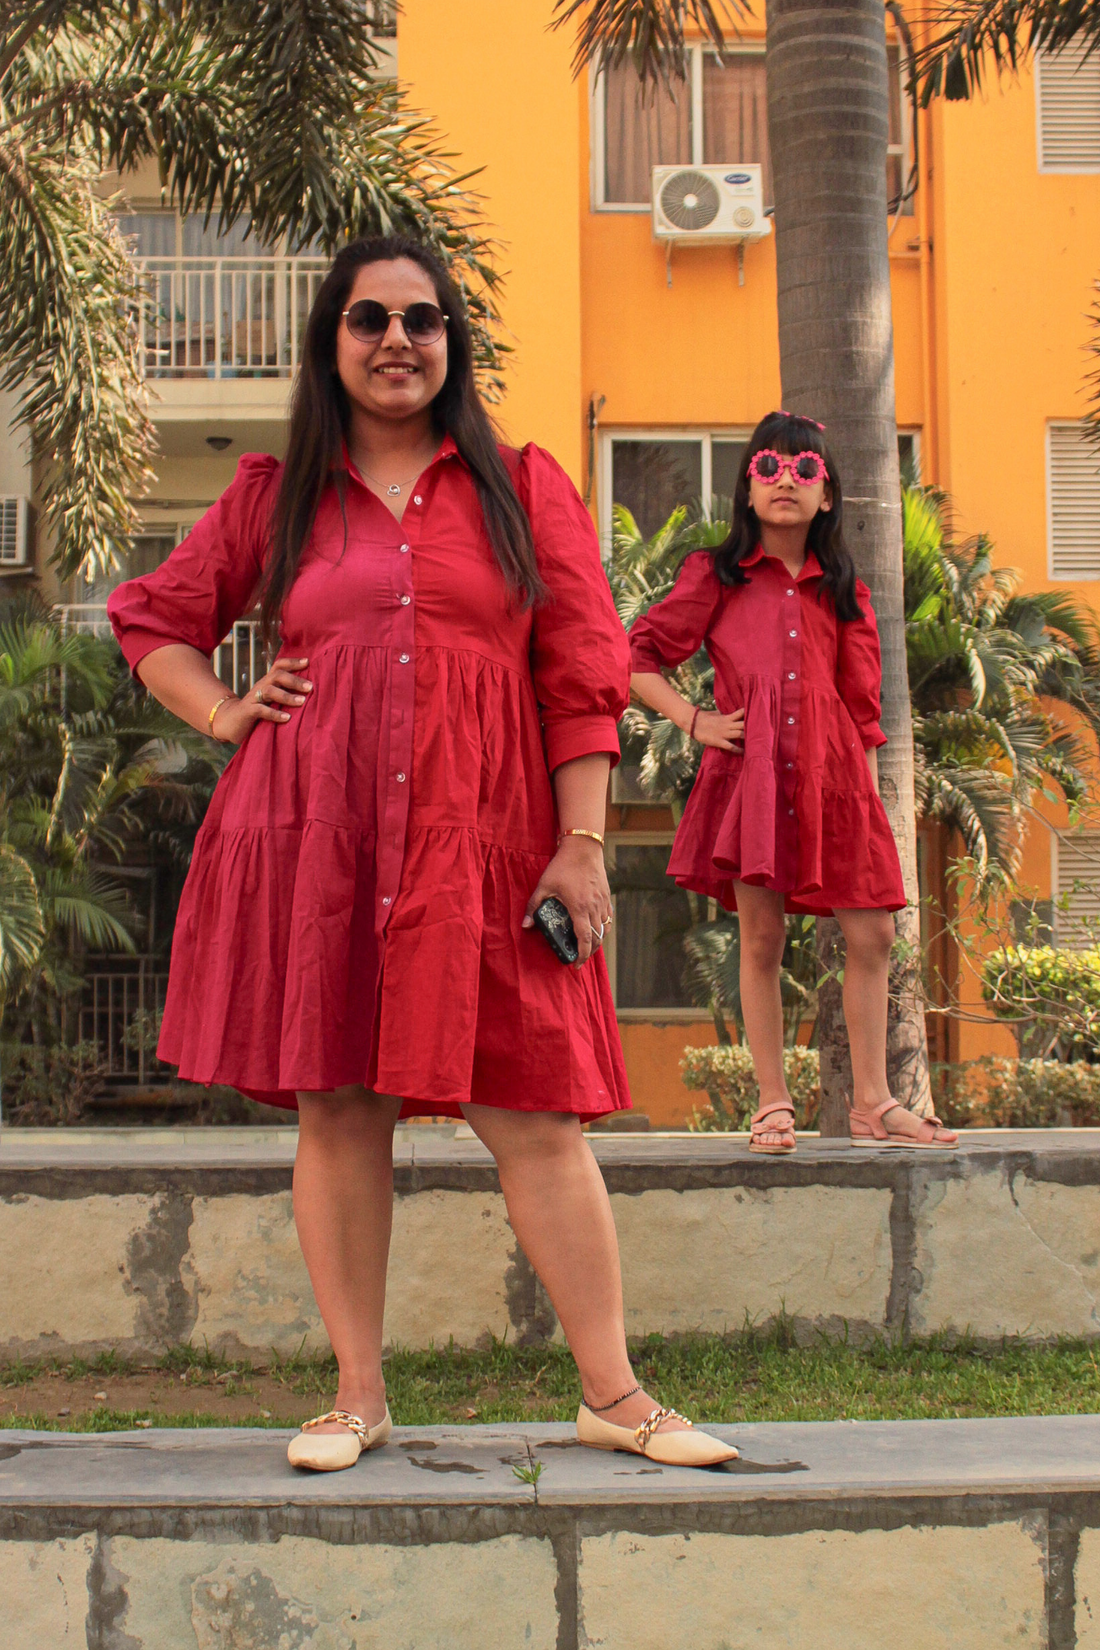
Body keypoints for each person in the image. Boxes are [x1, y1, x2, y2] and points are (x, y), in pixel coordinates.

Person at [108, 235, 737, 1471]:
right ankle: (357, 1395)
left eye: (422, 318)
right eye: (369, 319)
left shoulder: (523, 490)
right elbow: (153, 620)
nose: (397, 339)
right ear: (331, 343)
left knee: (539, 1114)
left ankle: (613, 1395)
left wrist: (580, 843)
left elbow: (581, 673)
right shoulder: (276, 496)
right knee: (342, 1107)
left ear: (451, 341)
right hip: (321, 841)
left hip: (489, 843)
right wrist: (223, 713)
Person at [628, 410, 957, 1155]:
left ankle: (874, 1103)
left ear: (827, 494)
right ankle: (772, 1101)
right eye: (769, 467)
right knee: (762, 936)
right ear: (747, 488)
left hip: (835, 779)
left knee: (872, 932)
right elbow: (636, 656)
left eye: (806, 469)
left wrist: (865, 806)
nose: (787, 480)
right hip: (752, 777)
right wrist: (693, 720)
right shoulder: (715, 575)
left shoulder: (845, 591)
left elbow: (863, 712)